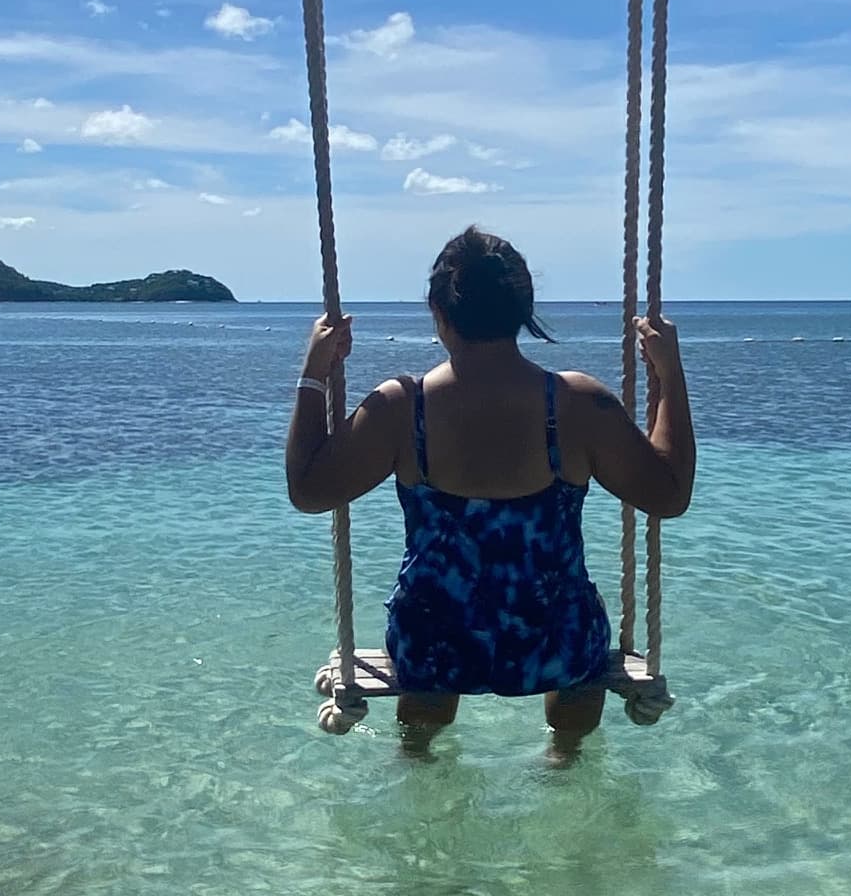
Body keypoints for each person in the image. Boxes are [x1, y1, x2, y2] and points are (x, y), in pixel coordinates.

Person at [285, 227, 696, 745]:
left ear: (438, 311)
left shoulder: (400, 406)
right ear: (524, 309)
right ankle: (565, 757)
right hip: (554, 641)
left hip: (435, 641)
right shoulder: (576, 404)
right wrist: (668, 371)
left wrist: (315, 371)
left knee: (422, 733)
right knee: (575, 676)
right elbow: (669, 494)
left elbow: (308, 490)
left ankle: (420, 759)